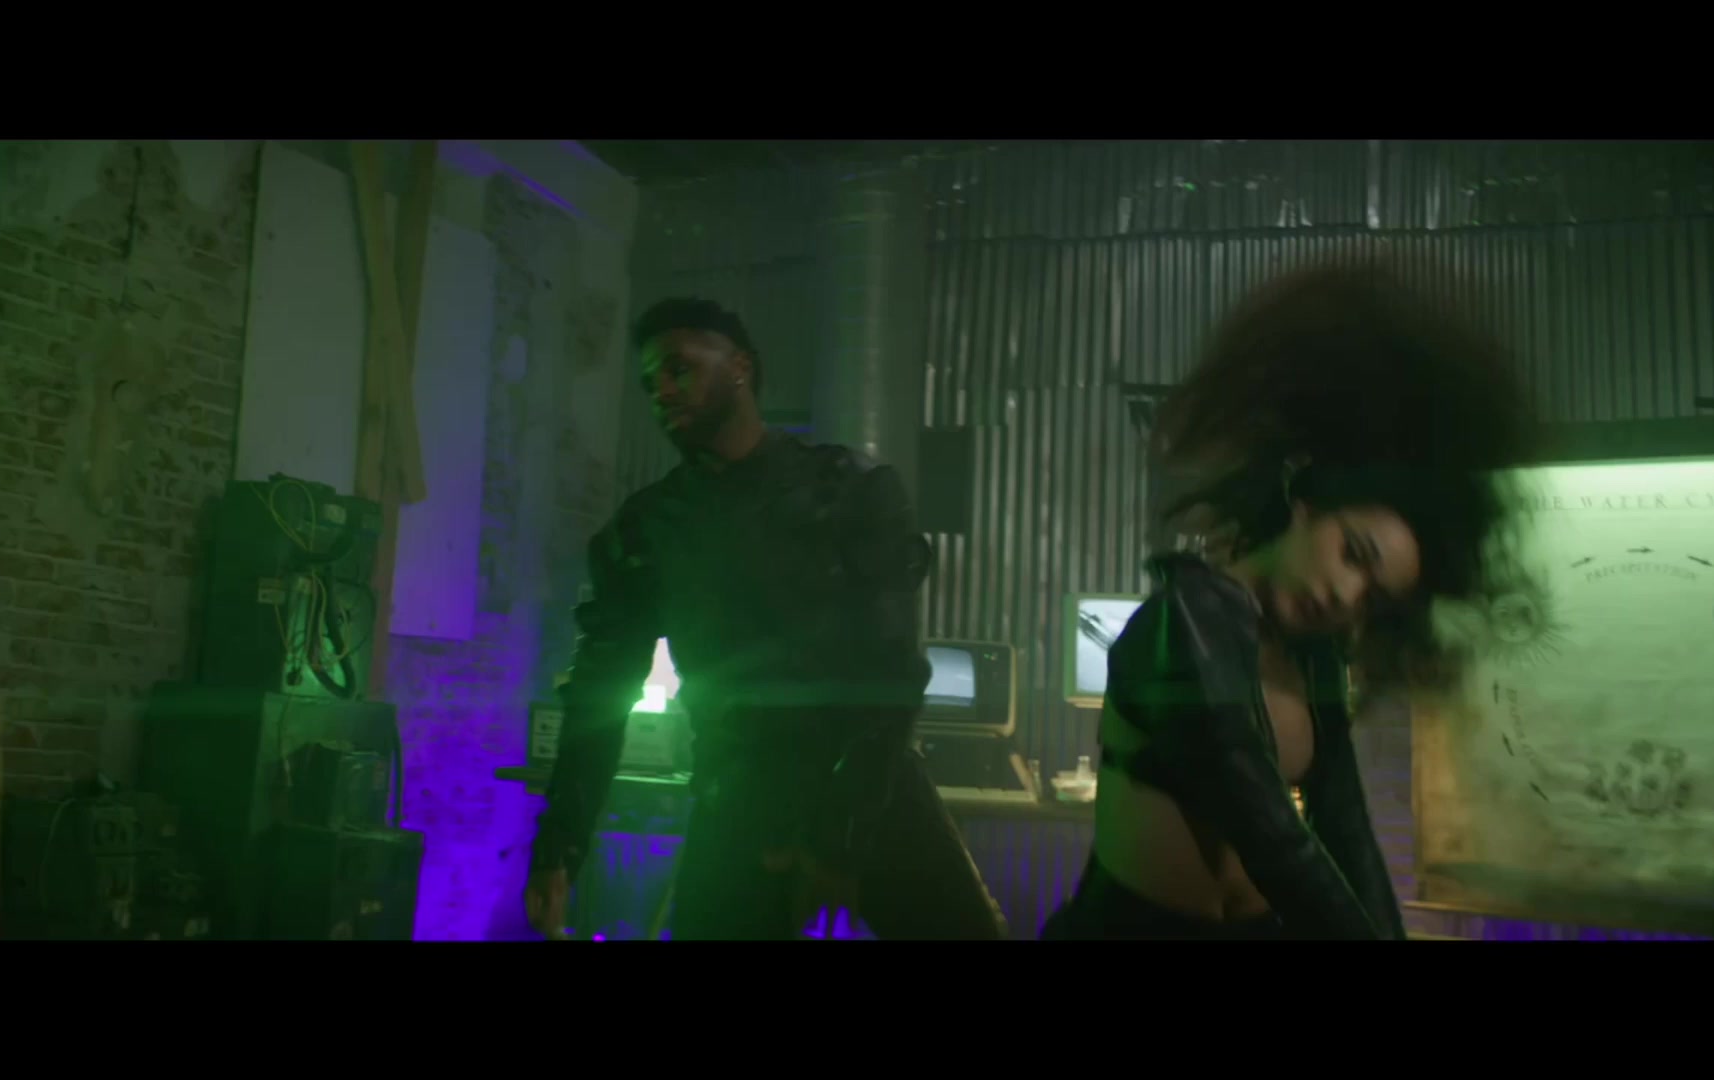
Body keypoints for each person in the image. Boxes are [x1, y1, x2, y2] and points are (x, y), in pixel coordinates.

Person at [1043, 262, 1537, 940]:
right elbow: (1269, 831)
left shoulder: (1312, 657)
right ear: (1305, 501)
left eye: (1374, 597)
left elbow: (1345, 825)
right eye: (1354, 554)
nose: (1347, 595)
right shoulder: (1187, 620)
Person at [524, 297, 1007, 941]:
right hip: (739, 806)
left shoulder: (849, 492)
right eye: (649, 382)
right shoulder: (647, 530)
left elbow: (892, 675)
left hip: (871, 791)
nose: (661, 391)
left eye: (679, 368)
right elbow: (599, 692)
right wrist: (560, 844)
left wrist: (842, 834)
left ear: (740, 367)